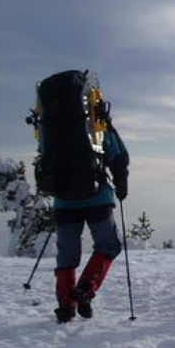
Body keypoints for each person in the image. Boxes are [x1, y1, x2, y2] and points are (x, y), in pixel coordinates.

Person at [53, 123, 129, 323]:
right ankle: (84, 291)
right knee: (110, 245)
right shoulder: (96, 121)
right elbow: (119, 157)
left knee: (67, 254)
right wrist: (122, 186)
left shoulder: (53, 120)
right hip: (97, 198)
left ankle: (66, 306)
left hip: (63, 199)